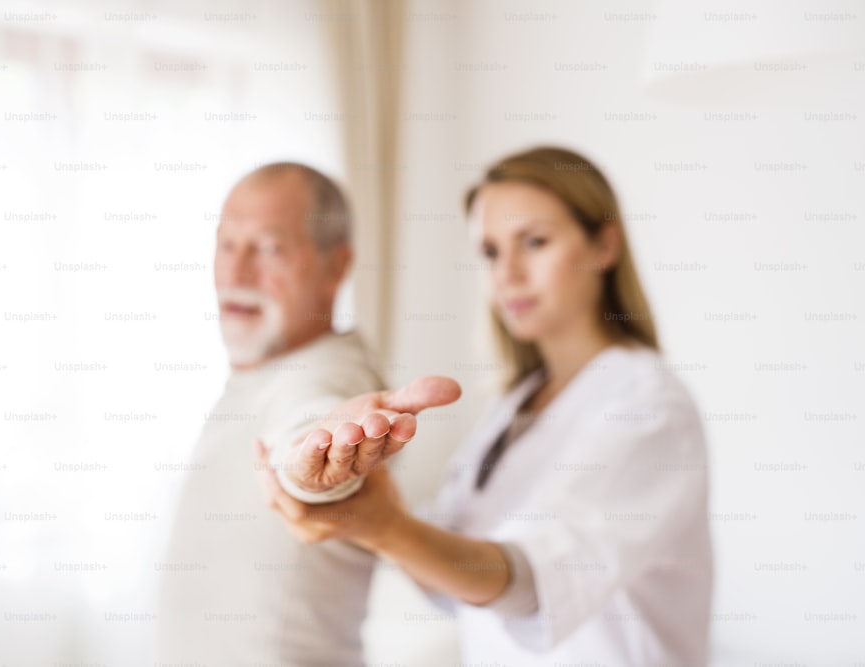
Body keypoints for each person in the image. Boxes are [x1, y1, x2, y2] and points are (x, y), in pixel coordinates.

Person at [259, 147, 714, 666]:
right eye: (491, 252)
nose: (508, 274)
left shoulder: (649, 407)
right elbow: (457, 582)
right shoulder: (514, 406)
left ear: (604, 245)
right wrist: (354, 491)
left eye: (535, 242)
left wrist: (386, 526)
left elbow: (532, 586)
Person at [158, 162, 456, 665]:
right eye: (227, 245)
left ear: (336, 267)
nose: (236, 272)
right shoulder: (260, 370)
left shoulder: (329, 374)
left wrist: (314, 465)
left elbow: (309, 423)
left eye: (269, 248)